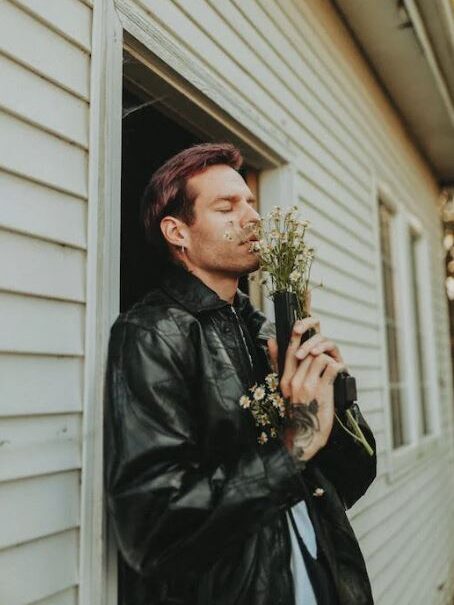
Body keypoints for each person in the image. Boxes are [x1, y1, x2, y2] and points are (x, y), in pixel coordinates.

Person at [104, 142, 376, 605]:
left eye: (250, 202)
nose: (252, 218)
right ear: (178, 232)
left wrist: (334, 394)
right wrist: (293, 448)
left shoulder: (261, 330)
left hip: (319, 578)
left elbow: (352, 480)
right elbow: (153, 529)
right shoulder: (154, 333)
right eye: (227, 207)